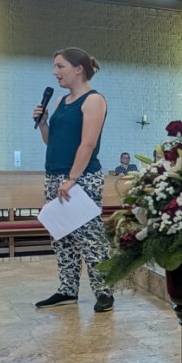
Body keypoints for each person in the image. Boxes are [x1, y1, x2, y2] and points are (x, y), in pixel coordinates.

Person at [33, 47, 115, 312]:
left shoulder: (93, 100)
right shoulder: (60, 102)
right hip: (55, 175)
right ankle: (67, 290)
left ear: (78, 69)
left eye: (60, 66)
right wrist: (43, 124)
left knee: (89, 237)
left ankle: (104, 292)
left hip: (82, 177)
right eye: (55, 66)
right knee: (62, 236)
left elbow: (87, 144)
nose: (55, 72)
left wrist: (72, 178)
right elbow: (52, 141)